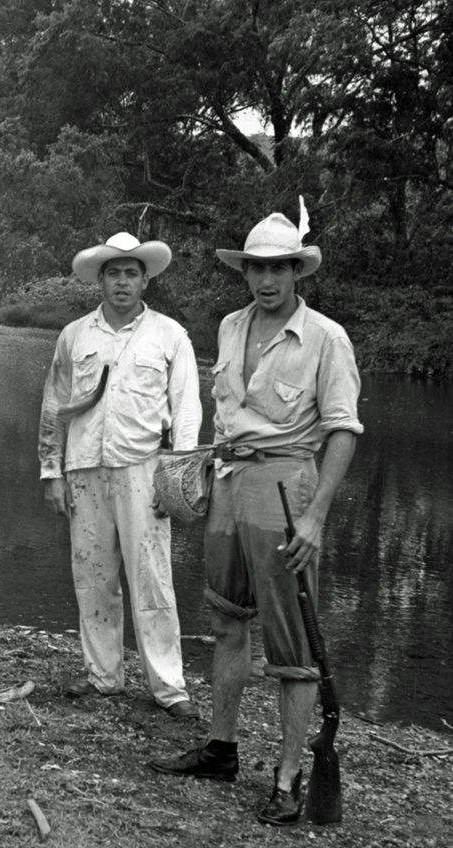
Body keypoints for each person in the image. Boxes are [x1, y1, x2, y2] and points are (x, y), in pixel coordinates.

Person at [148, 207, 362, 826]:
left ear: (298, 270)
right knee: (227, 617)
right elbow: (227, 414)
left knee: (292, 644)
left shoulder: (326, 337)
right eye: (256, 268)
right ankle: (220, 748)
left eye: (278, 268)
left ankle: (292, 776)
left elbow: (343, 430)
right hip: (228, 479)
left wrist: (315, 516)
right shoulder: (230, 326)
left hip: (286, 484)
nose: (267, 279)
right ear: (245, 272)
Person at [38, 232, 202, 718]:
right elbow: (53, 407)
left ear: (145, 279)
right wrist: (52, 471)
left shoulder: (170, 335)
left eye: (132, 273)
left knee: (152, 579)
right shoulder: (74, 335)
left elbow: (187, 408)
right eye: (114, 273)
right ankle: (103, 676)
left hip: (145, 470)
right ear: (101, 280)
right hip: (84, 467)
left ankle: (169, 688)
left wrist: (178, 477)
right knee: (92, 577)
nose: (123, 282)